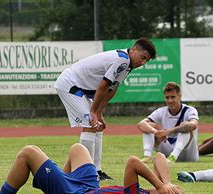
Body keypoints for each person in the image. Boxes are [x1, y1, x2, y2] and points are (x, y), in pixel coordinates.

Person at [0, 143, 187, 194]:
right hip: (88, 189)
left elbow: (132, 162)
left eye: (159, 192)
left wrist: (161, 185)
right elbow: (159, 157)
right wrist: (166, 183)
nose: (155, 189)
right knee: (78, 149)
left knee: (28, 153)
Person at [55, 37, 156, 180]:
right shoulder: (122, 60)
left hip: (80, 88)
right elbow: (103, 86)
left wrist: (99, 113)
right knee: (90, 124)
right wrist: (94, 112)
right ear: (133, 49)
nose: (143, 62)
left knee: (98, 125)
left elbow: (112, 88)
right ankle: (85, 173)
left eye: (146, 60)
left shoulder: (128, 64)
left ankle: (96, 171)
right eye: (143, 57)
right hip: (70, 84)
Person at [137, 82, 199, 163]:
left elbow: (193, 125)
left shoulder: (190, 110)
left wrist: (169, 131)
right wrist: (156, 132)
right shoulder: (161, 111)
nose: (170, 101)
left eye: (173, 97)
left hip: (188, 155)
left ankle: (173, 157)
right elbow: (141, 124)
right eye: (167, 97)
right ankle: (147, 156)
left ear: (179, 97)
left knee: (185, 126)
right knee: (148, 127)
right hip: (167, 153)